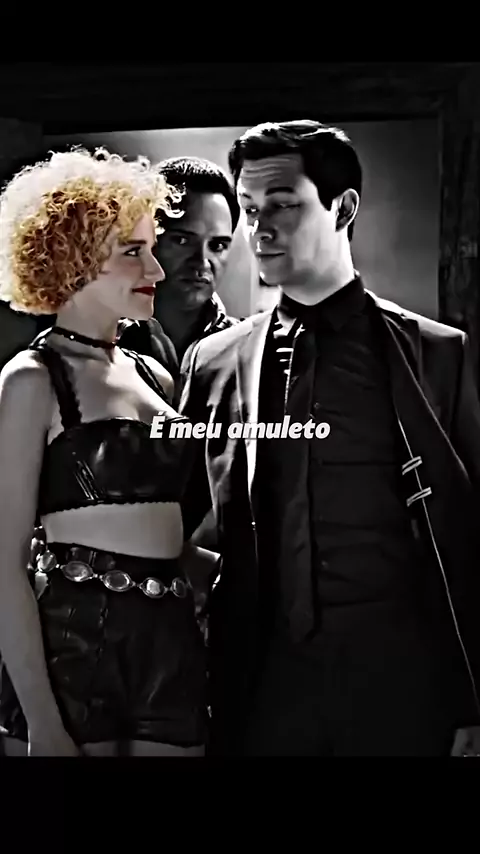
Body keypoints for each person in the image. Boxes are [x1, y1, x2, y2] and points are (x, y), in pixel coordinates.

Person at [180, 119, 480, 757]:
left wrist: (473, 698)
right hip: (259, 693)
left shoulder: (439, 356)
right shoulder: (213, 363)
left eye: (283, 205)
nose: (259, 229)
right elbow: (175, 522)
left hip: (404, 690)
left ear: (343, 208)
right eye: (250, 209)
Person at [0, 147, 208, 757]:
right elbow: (3, 565)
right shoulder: (33, 378)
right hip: (73, 645)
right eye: (133, 252)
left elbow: (166, 530)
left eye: (152, 248)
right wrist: (42, 721)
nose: (158, 270)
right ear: (73, 256)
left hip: (171, 639)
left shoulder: (155, 374)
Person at [119, 156, 240, 391]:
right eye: (183, 240)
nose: (202, 262)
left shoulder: (251, 349)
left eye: (217, 245)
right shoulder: (99, 341)